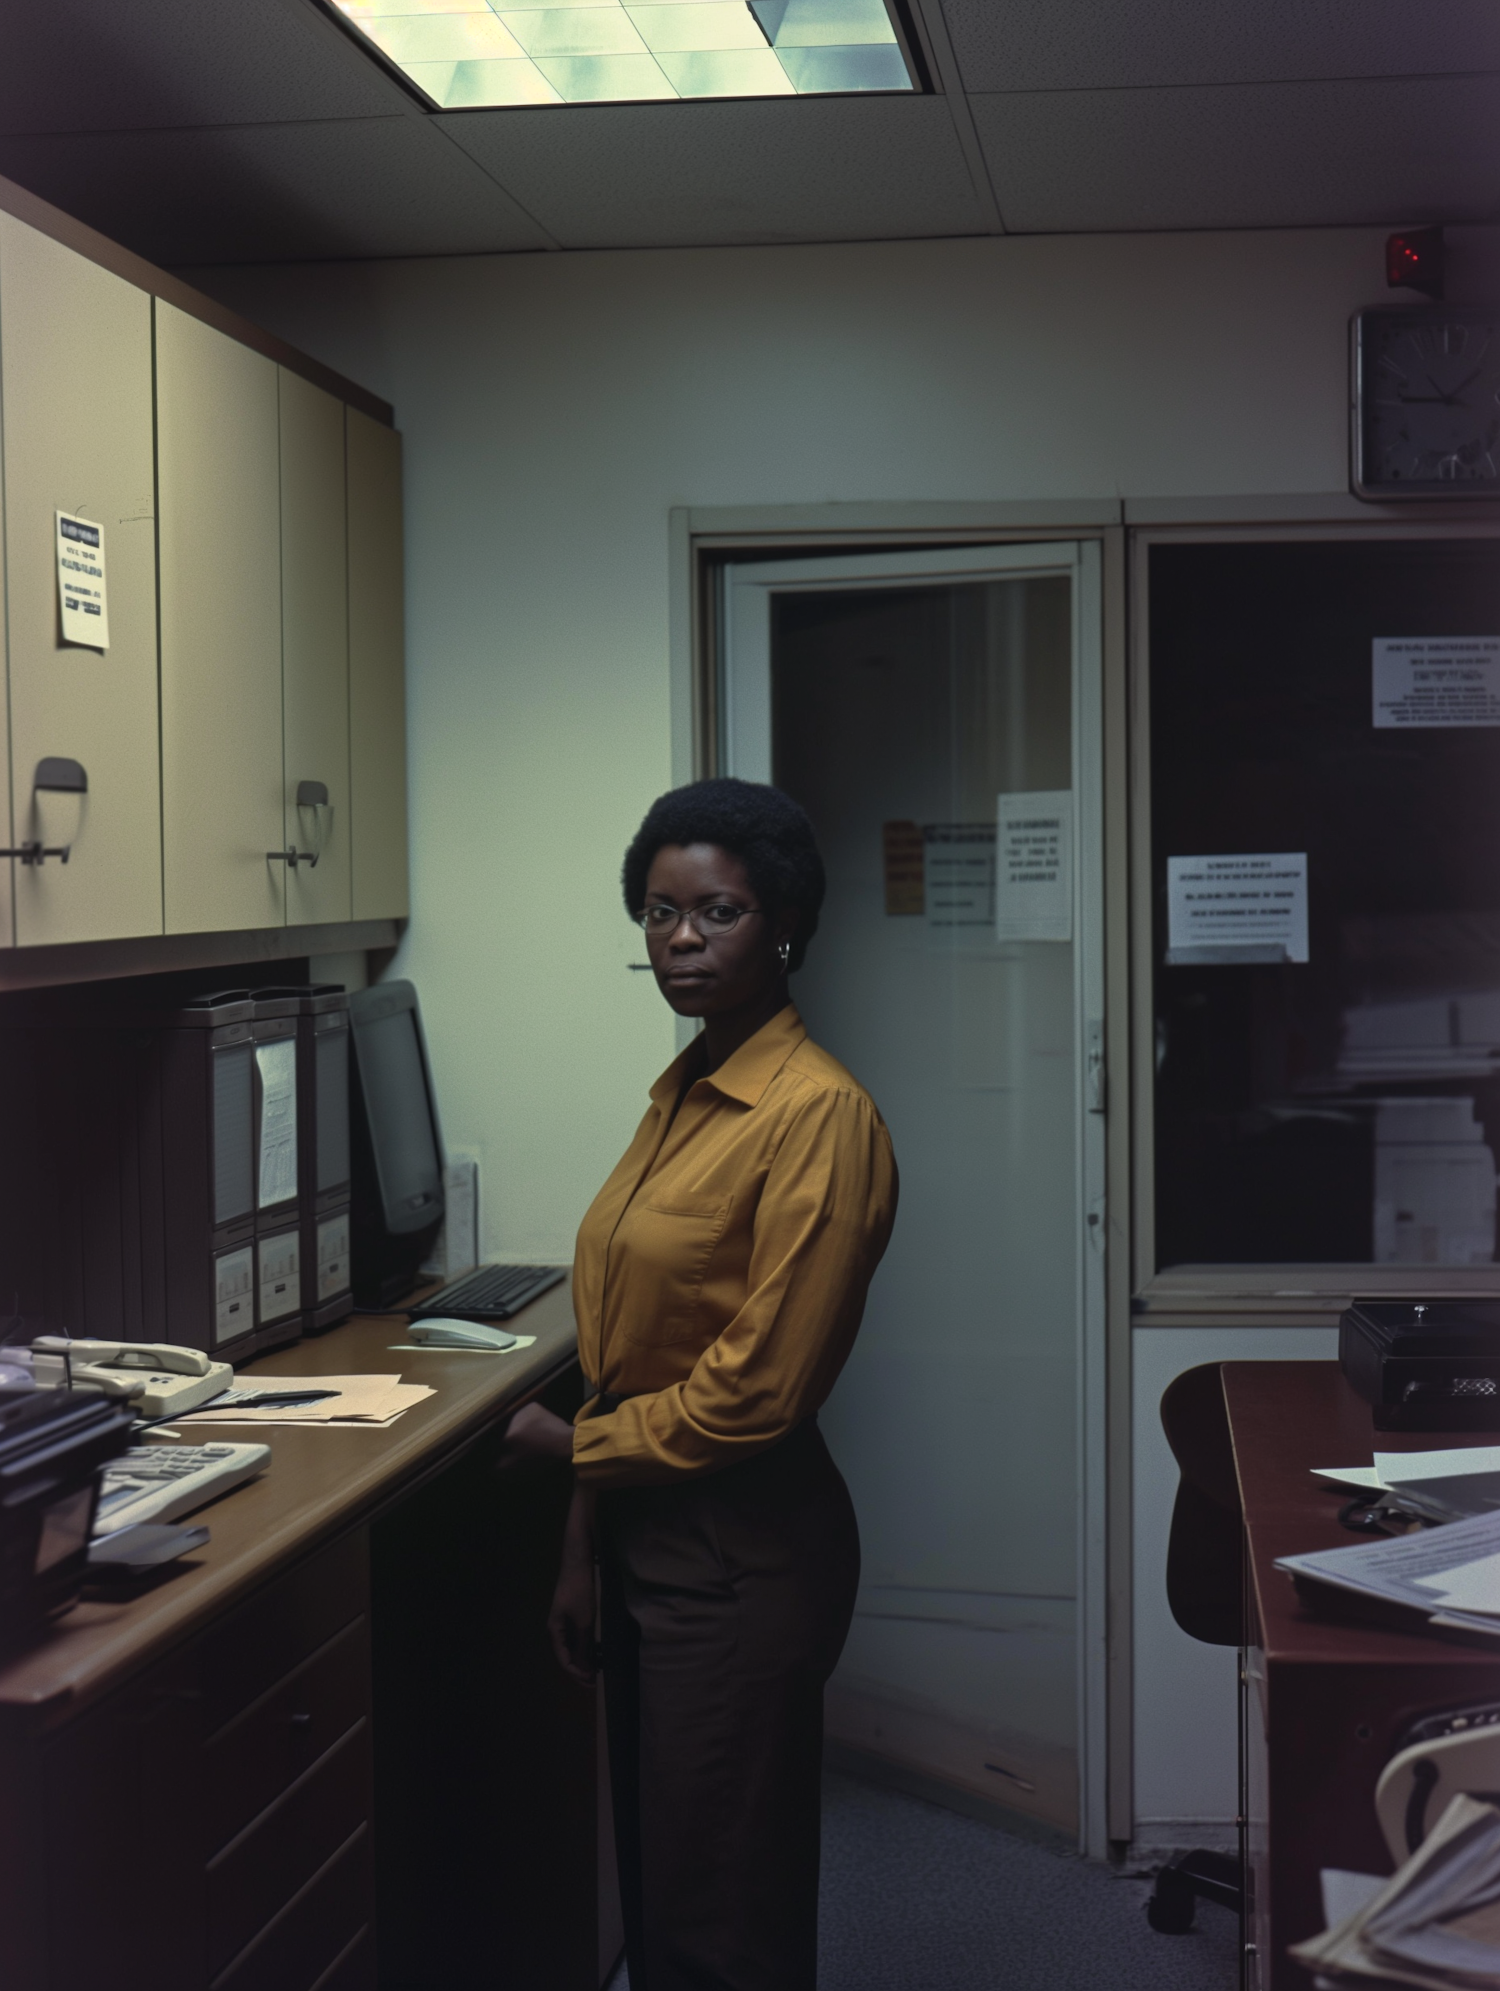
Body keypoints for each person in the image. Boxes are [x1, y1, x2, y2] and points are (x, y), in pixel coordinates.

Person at [501, 776, 898, 1991]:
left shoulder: (817, 1116)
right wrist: (585, 1541)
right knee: (670, 1888)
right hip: (646, 1540)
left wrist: (570, 1452)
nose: (681, 938)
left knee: (723, 1906)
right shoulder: (682, 1096)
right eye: (660, 912)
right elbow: (629, 1357)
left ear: (781, 927)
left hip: (742, 1554)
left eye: (716, 912)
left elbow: (754, 1392)